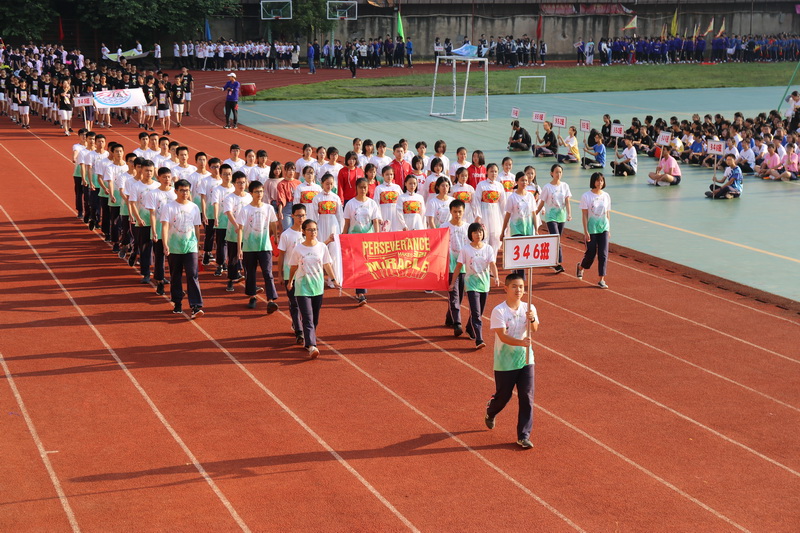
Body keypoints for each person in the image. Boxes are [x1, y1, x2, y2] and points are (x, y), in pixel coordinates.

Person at [485, 273, 538, 450]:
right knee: (503, 396)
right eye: (514, 286)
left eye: (521, 287)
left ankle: (524, 436)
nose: (518, 290)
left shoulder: (529, 307)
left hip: (526, 359)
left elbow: (535, 328)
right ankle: (491, 410)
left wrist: (532, 319)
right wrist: (521, 343)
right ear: (506, 288)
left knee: (527, 396)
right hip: (505, 362)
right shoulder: (499, 311)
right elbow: (502, 336)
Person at [287, 219, 341, 359]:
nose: (313, 232)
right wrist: (290, 281)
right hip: (302, 287)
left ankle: (308, 338)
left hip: (317, 287)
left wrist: (334, 280)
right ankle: (312, 345)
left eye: (315, 229)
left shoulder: (322, 247)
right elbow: (293, 267)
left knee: (315, 318)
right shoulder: (298, 249)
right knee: (308, 317)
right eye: (310, 230)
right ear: (304, 231)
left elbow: (327, 264)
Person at [451, 222, 499, 349]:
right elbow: (459, 266)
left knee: (479, 311)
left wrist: (496, 277)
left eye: (480, 232)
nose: (478, 234)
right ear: (470, 235)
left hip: (484, 284)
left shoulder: (488, 248)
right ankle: (479, 339)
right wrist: (452, 282)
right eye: (475, 232)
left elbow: (492, 264)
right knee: (476, 312)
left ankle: (469, 327)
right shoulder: (466, 249)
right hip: (471, 285)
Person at [161, 179, 204, 318]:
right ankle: (177, 302)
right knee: (176, 275)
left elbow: (197, 227)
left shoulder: (194, 207)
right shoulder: (169, 207)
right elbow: (165, 227)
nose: (185, 193)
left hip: (190, 246)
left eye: (187, 190)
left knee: (192, 274)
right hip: (174, 247)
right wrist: (165, 244)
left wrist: (197, 244)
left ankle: (196, 306)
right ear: (176, 191)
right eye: (182, 190)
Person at [237, 180, 280, 312]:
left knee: (268, 272)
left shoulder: (268, 208)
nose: (259, 194)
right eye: (256, 192)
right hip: (249, 247)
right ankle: (252, 296)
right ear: (251, 193)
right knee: (250, 273)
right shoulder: (245, 210)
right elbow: (240, 229)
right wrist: (239, 248)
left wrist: (275, 236)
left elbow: (273, 223)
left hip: (265, 246)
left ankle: (271, 300)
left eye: (261, 191)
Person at [342, 177, 381, 305]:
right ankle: (361, 293)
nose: (363, 190)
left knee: (365, 265)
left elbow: (375, 221)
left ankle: (361, 290)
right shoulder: (350, 204)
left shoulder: (372, 203)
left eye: (365, 187)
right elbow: (347, 223)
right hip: (354, 238)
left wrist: (377, 236)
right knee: (358, 265)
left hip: (368, 239)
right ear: (356, 188)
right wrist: (343, 237)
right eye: (360, 187)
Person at [278, 204, 307, 345]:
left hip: (306, 274)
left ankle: (300, 325)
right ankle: (299, 331)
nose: (301, 218)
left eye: (303, 215)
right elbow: (281, 255)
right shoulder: (286, 235)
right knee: (294, 303)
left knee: (305, 304)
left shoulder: (309, 233)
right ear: (292, 216)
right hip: (291, 274)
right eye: (298, 215)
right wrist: (280, 274)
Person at [309, 173, 345, 286]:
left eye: (331, 184)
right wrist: (314, 230)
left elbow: (340, 215)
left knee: (334, 253)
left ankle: (333, 280)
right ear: (322, 184)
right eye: (327, 184)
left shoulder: (336, 197)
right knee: (320, 252)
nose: (329, 186)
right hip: (321, 226)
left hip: (334, 226)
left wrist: (341, 230)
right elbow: (314, 215)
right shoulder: (317, 198)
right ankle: (317, 279)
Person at [576, 173, 611, 289]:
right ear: (593, 182)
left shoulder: (606, 196)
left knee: (603, 254)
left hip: (604, 228)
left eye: (601, 181)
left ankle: (601, 279)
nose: (599, 183)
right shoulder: (586, 196)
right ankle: (581, 267)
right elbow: (584, 215)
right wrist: (586, 231)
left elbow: (607, 213)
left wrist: (609, 229)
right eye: (597, 181)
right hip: (592, 229)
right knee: (591, 253)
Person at [442, 200, 469, 334]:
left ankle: (449, 317)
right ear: (450, 212)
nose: (457, 215)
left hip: (464, 267)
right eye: (455, 212)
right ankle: (457, 323)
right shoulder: (444, 227)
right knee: (454, 295)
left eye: (460, 212)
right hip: (451, 266)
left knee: (460, 296)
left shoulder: (468, 228)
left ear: (463, 212)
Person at [222, 171, 253, 291]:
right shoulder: (229, 198)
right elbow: (229, 213)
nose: (241, 185)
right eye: (239, 183)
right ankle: (231, 279)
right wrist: (236, 226)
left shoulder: (249, 197)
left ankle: (249, 282)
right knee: (233, 257)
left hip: (248, 233)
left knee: (248, 258)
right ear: (234, 183)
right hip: (233, 233)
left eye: (243, 182)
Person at [539, 164, 571, 273]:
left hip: (561, 216)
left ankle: (550, 258)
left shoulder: (565, 186)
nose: (558, 174)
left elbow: (567, 201)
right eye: (556, 172)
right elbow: (542, 202)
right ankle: (558, 263)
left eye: (560, 172)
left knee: (556, 239)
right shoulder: (547, 187)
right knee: (556, 238)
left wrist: (569, 214)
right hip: (551, 216)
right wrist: (535, 214)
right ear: (551, 173)